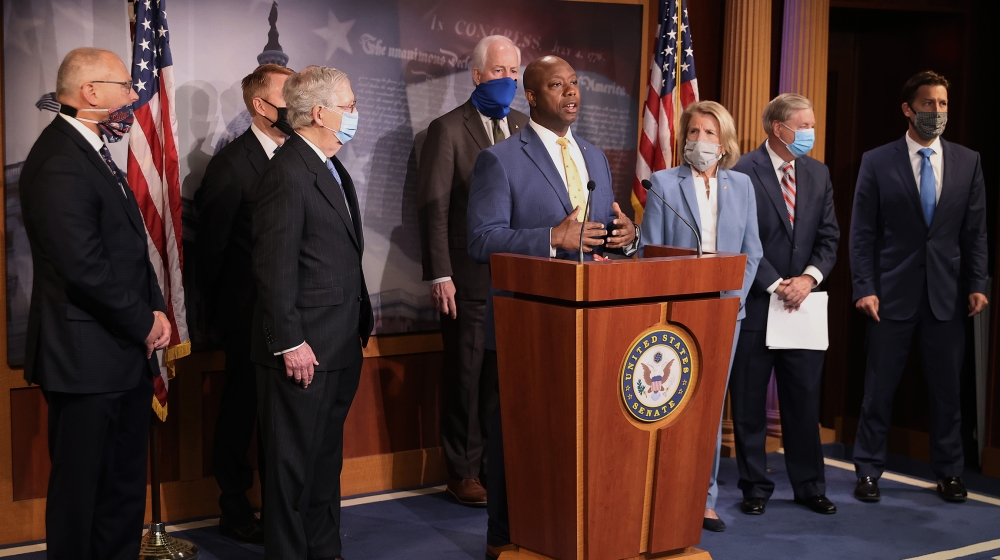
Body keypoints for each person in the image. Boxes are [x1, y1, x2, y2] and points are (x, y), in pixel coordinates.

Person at [467, 55, 640, 560]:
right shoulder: (500, 159)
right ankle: (505, 539)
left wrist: (627, 240)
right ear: (533, 97)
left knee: (581, 444)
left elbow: (602, 236)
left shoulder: (595, 156)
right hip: (528, 329)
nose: (571, 92)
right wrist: (550, 238)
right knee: (517, 444)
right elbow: (482, 240)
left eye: (575, 83)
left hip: (595, 330)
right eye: (556, 84)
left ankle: (574, 535)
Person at [19, 47, 171, 559]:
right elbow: (82, 266)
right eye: (126, 86)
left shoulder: (94, 153)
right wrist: (141, 321)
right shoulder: (59, 159)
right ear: (90, 92)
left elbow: (130, 247)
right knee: (82, 493)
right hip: (84, 359)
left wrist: (155, 311)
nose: (134, 96)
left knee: (121, 488)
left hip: (121, 351)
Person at [251, 65, 373, 560]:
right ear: (319, 112)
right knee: (291, 470)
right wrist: (289, 340)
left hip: (339, 342)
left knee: (324, 465)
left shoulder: (329, 165)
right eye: (350, 104)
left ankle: (324, 553)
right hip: (302, 349)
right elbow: (273, 266)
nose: (355, 113)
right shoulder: (287, 171)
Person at [850, 71, 988, 504]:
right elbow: (862, 232)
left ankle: (950, 472)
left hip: (947, 295)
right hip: (889, 296)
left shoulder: (968, 161)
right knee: (879, 389)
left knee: (948, 392)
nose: (937, 112)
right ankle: (868, 471)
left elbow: (976, 232)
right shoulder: (877, 160)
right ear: (908, 109)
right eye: (928, 104)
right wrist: (864, 287)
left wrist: (979, 282)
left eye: (943, 104)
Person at [639, 100, 762, 532]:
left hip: (726, 314)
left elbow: (753, 252)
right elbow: (650, 252)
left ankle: (704, 498)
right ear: (683, 138)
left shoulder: (742, 186)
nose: (700, 141)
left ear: (724, 141)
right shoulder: (663, 185)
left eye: (710, 133)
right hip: (676, 317)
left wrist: (732, 302)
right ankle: (662, 494)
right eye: (693, 132)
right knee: (673, 406)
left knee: (709, 410)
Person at [417, 35, 529, 507]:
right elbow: (433, 208)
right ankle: (461, 471)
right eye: (500, 71)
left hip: (519, 279)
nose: (509, 80)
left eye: (514, 72)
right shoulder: (447, 129)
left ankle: (492, 466)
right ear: (477, 75)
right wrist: (440, 273)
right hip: (466, 278)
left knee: (502, 379)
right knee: (465, 375)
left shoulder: (526, 127)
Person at [194, 62, 294, 543]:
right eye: (287, 96)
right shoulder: (231, 166)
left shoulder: (301, 157)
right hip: (246, 319)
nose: (296, 106)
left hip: (294, 317)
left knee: (285, 422)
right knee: (240, 415)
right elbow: (211, 252)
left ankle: (283, 510)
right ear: (260, 105)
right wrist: (218, 320)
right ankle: (234, 508)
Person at [729, 93, 840, 518]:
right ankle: (755, 486)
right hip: (759, 304)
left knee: (804, 401)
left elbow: (828, 237)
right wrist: (775, 282)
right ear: (779, 128)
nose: (810, 133)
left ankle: (810, 486)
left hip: (803, 307)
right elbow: (739, 237)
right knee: (750, 403)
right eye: (804, 125)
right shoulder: (742, 171)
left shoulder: (818, 173)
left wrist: (809, 278)